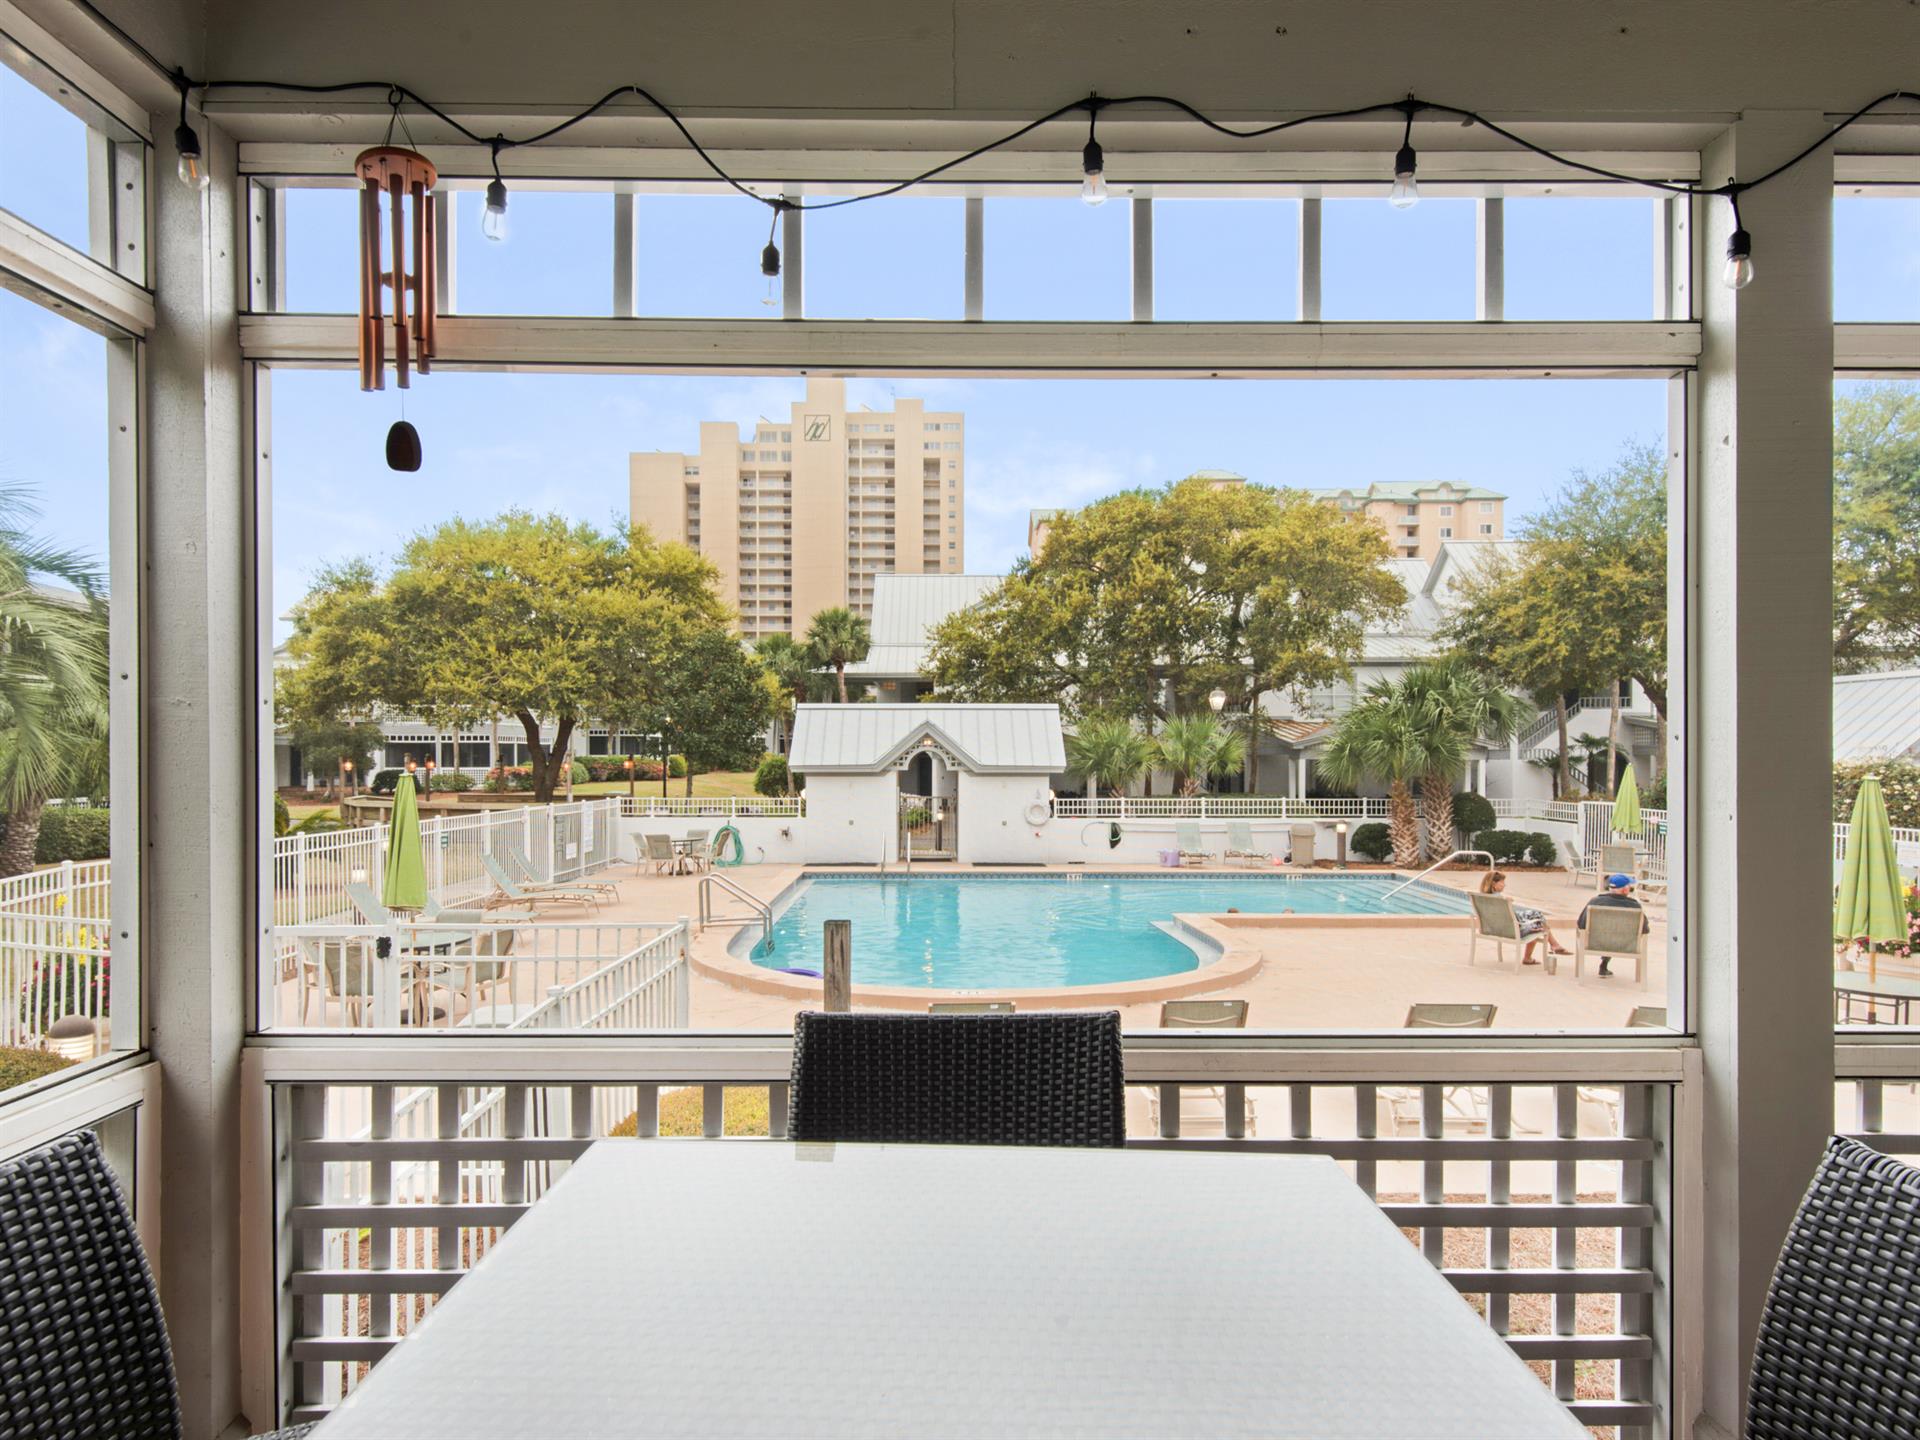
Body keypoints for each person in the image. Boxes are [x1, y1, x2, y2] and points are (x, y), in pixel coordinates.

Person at [1480, 869, 1569, 965]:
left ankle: (1554, 945)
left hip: (1494, 929)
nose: (1505, 885)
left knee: (1536, 915)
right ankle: (1540, 952)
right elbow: (1513, 920)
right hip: (1512, 931)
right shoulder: (1501, 901)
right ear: (1494, 883)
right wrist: (1508, 902)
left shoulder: (1483, 898)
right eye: (1502, 882)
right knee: (1538, 924)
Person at [1578, 873, 1650, 978]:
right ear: (1625, 890)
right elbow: (1645, 929)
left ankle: (1602, 964)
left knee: (1607, 933)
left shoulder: (1595, 902)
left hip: (1597, 943)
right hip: (1626, 945)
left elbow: (1581, 924)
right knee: (1615, 934)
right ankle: (1604, 965)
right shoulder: (1635, 906)